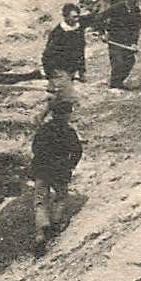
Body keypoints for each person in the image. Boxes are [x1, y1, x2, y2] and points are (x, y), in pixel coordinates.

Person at [29, 97, 83, 254]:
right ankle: (56, 223)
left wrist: (41, 161)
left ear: (53, 114)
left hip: (42, 169)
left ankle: (41, 231)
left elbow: (35, 148)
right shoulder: (69, 132)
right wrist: (70, 165)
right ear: (67, 115)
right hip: (60, 170)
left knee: (40, 201)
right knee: (61, 196)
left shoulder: (44, 129)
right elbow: (77, 151)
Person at [98, 0, 141, 89]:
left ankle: (119, 83)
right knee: (118, 62)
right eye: (133, 1)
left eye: (136, 1)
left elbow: (136, 28)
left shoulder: (136, 10)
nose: (135, 3)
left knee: (130, 62)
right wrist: (102, 33)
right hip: (115, 39)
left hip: (128, 41)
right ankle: (114, 86)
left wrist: (134, 43)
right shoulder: (118, 7)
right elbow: (100, 18)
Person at [41, 4, 88, 100]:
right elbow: (47, 55)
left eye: (78, 16)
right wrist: (50, 74)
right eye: (74, 17)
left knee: (57, 97)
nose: (77, 19)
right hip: (59, 69)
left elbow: (80, 51)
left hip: (71, 69)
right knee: (68, 98)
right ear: (65, 17)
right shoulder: (58, 33)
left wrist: (82, 71)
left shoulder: (78, 29)